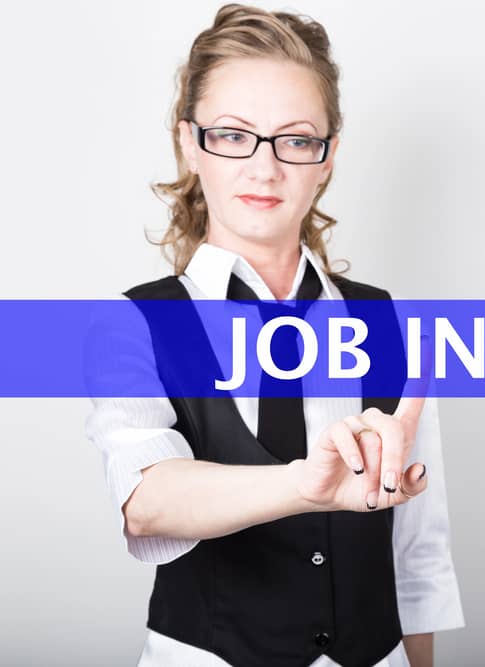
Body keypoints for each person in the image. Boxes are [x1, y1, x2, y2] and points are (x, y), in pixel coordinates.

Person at [84, 4, 465, 666]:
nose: (264, 169)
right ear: (188, 142)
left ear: (328, 156)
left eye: (295, 139)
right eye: (233, 135)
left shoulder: (394, 322)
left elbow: (417, 552)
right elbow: (147, 500)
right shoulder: (132, 323)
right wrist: (305, 484)